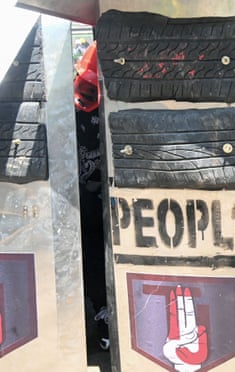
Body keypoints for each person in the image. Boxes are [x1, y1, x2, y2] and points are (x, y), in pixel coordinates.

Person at [74, 41, 109, 351]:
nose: (85, 92)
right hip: (78, 200)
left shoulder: (115, 107)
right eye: (83, 83)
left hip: (105, 198)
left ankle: (104, 314)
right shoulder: (64, 111)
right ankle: (97, 312)